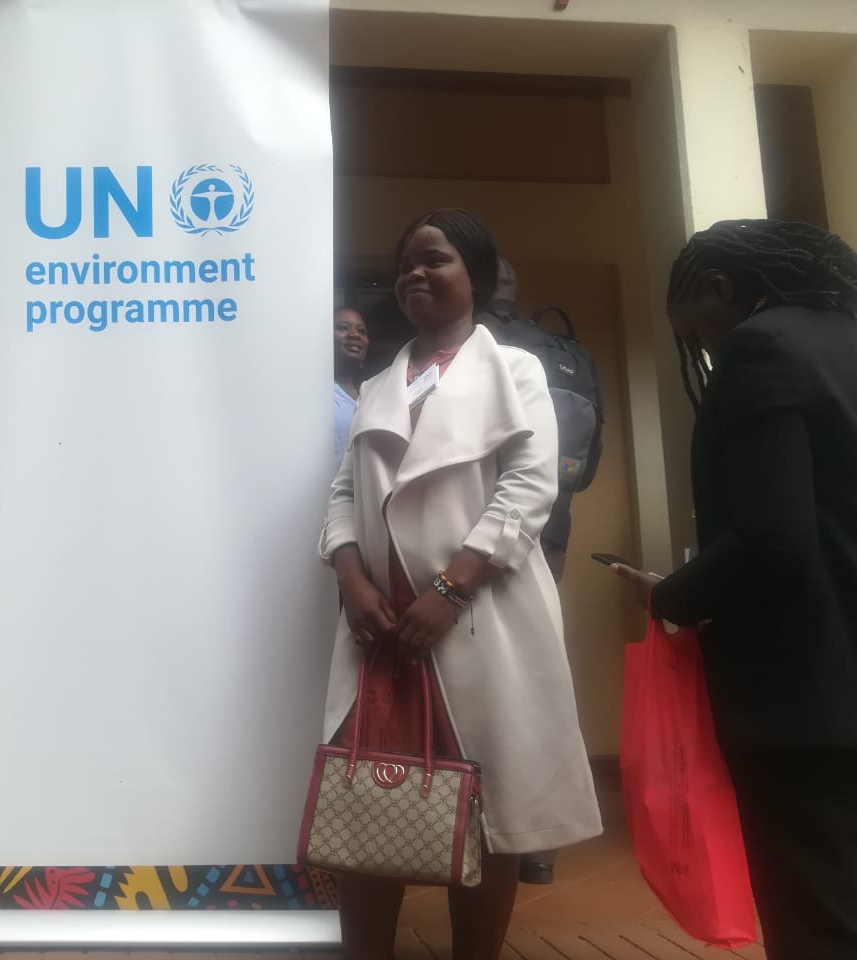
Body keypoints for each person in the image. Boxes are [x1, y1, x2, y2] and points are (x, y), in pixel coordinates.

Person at [611, 220, 857, 960]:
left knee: (823, 921)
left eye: (695, 332)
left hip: (809, 696)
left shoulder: (762, 347)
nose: (704, 350)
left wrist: (668, 596)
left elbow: (774, 541)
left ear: (719, 287)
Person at [319, 209, 601, 960]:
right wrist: (350, 575)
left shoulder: (515, 371)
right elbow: (343, 492)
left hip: (478, 617)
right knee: (366, 803)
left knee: (488, 808)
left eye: (433, 259)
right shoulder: (379, 384)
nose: (414, 273)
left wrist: (451, 589)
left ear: (474, 274)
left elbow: (529, 486)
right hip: (382, 629)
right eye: (403, 264)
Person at [482, 257, 570, 885]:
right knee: (526, 688)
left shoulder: (504, 355)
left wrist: (452, 579)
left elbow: (524, 475)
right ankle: (533, 844)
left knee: (495, 693)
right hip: (545, 537)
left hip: (486, 546)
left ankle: (500, 834)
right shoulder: (553, 345)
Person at [333, 306, 369, 472]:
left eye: (362, 331)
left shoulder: (371, 392)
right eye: (343, 328)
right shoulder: (308, 391)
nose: (355, 335)